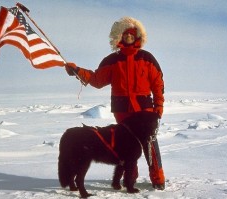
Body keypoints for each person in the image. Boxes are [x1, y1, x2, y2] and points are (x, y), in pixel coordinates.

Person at [65, 16, 165, 190]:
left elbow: (158, 85)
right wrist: (77, 71)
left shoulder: (147, 58)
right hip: (123, 111)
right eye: (125, 34)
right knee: (128, 146)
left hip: (144, 110)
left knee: (150, 143)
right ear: (119, 37)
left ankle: (158, 178)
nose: (128, 37)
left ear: (138, 36)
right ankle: (131, 178)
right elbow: (97, 80)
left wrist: (158, 107)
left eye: (132, 34)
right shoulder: (112, 61)